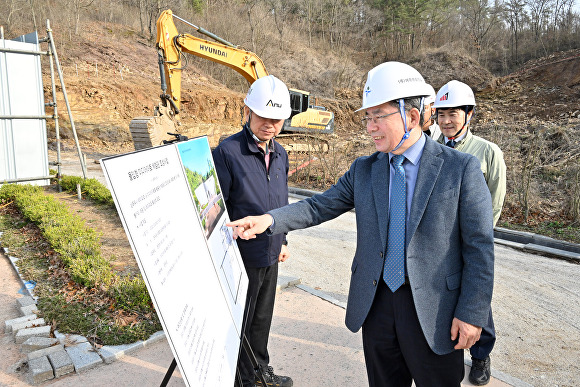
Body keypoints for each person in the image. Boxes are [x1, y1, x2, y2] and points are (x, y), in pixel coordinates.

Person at [227, 62, 495, 387]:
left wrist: (472, 312)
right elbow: (319, 206)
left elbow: (480, 247)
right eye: (367, 117)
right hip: (377, 305)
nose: (369, 127)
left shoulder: (460, 168)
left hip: (434, 310)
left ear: (411, 117)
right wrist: (269, 219)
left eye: (378, 116)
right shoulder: (365, 170)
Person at [212, 75, 293, 387]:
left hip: (270, 251)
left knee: (261, 321)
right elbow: (216, 209)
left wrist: (284, 238)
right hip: (241, 255)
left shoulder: (281, 154)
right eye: (263, 117)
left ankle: (258, 374)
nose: (270, 125)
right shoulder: (228, 153)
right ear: (247, 111)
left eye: (276, 119)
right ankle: (239, 379)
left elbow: (282, 202)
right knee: (240, 322)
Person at [434, 79, 507, 385]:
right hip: (439, 242)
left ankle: (480, 356)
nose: (446, 121)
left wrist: (477, 242)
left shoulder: (487, 153)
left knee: (476, 299)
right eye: (441, 114)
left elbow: (495, 201)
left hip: (471, 243)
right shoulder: (431, 149)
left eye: (454, 114)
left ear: (469, 114)